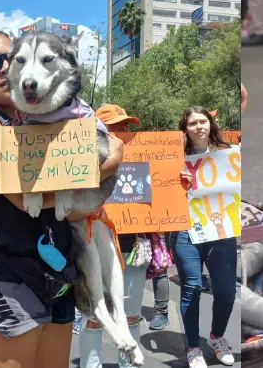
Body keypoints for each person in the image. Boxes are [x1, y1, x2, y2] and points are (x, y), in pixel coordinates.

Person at [0, 30, 122, 367]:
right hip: (8, 274)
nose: (5, 67)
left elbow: (67, 211)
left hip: (55, 272)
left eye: (10, 58)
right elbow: (21, 194)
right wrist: (107, 164)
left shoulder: (29, 122)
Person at [78, 104, 193, 368]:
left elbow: (164, 194)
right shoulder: (81, 159)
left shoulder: (143, 155)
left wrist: (179, 186)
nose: (124, 131)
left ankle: (128, 365)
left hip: (133, 249)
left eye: (127, 126)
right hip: (94, 249)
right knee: (95, 317)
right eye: (117, 126)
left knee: (130, 316)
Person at [172, 106, 238, 368]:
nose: (198, 126)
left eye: (203, 121)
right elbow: (160, 188)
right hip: (185, 229)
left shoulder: (229, 153)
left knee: (226, 291)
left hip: (221, 231)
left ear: (211, 124)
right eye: (192, 123)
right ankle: (192, 347)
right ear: (184, 128)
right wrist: (176, 180)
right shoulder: (174, 158)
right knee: (192, 287)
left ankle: (217, 336)